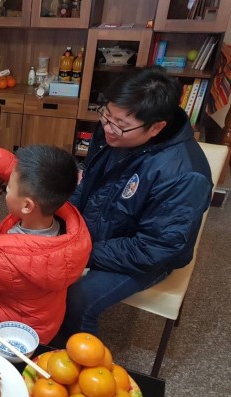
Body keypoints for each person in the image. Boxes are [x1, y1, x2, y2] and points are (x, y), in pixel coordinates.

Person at [60, 66, 213, 338]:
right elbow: (88, 182)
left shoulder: (185, 174)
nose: (108, 128)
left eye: (120, 125)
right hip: (101, 231)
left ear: (157, 128)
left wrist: (82, 251)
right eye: (106, 115)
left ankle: (76, 362)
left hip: (146, 256)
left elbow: (156, 247)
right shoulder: (112, 129)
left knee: (80, 297)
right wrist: (63, 218)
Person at [0, 145, 92, 344]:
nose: (6, 190)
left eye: (8, 189)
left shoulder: (10, 260)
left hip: (5, 330)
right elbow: (32, 178)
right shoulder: (67, 216)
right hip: (41, 320)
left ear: (26, 206)